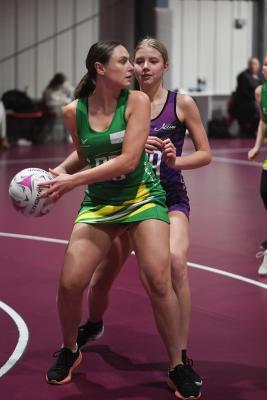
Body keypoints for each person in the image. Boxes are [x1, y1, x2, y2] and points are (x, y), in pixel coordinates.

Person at [39, 40, 201, 400]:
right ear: (100, 68)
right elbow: (84, 154)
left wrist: (70, 183)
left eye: (138, 61)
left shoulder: (137, 102)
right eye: (125, 61)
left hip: (142, 197)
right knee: (70, 283)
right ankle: (70, 349)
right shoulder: (73, 111)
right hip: (100, 204)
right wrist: (56, 175)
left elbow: (129, 161)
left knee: (159, 279)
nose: (133, 68)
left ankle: (177, 365)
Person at [248, 54, 267, 275]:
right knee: (265, 192)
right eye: (264, 64)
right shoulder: (260, 92)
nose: (265, 68)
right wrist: (256, 146)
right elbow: (263, 120)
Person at [230, 57, 263, 137]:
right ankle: (254, 131)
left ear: (258, 66)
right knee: (257, 107)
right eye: (251, 63)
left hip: (256, 101)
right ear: (248, 65)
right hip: (244, 102)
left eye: (255, 64)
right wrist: (257, 99)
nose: (253, 66)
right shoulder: (243, 76)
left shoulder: (259, 77)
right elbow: (243, 93)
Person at [42, 73, 74, 142]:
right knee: (68, 113)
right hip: (53, 109)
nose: (62, 85)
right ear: (58, 82)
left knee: (70, 113)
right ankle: (69, 135)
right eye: (62, 83)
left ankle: (69, 135)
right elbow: (49, 103)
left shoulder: (61, 89)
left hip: (61, 108)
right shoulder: (49, 90)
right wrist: (63, 102)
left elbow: (72, 91)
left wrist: (67, 86)